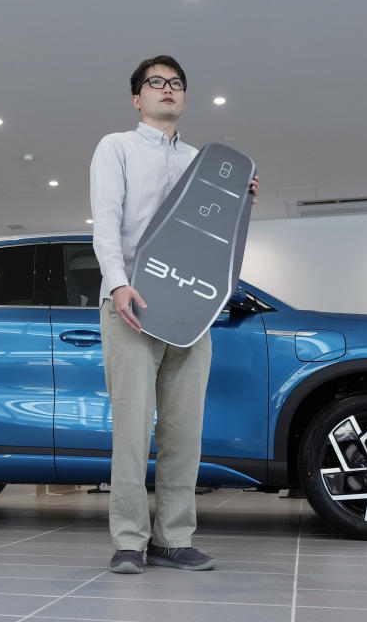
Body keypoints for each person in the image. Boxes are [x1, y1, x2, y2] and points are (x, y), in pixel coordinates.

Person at [90, 55, 259, 574]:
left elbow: (212, 242)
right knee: (133, 430)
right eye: (155, 83)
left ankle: (173, 538)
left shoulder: (204, 162)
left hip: (191, 313)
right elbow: (108, 223)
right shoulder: (115, 147)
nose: (167, 89)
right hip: (132, 306)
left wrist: (240, 201)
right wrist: (118, 285)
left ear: (184, 98)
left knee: (185, 431)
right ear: (137, 98)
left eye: (176, 84)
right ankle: (128, 540)